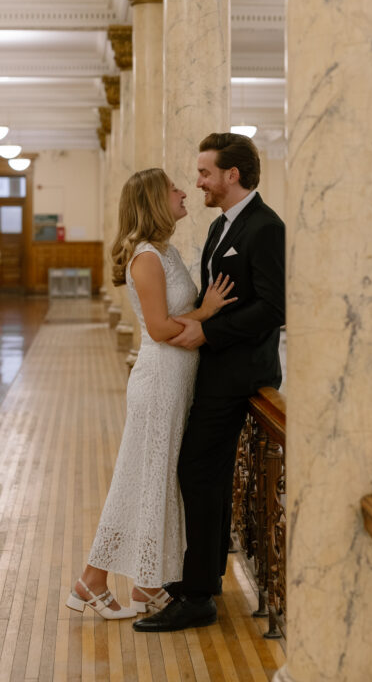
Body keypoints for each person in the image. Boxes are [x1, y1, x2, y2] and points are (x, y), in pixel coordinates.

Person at [66, 168, 236, 620]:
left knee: (156, 480)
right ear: (154, 202)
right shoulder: (145, 257)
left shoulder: (167, 250)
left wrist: (202, 316)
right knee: (144, 479)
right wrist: (208, 311)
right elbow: (160, 329)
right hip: (160, 379)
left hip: (179, 378)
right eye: (173, 189)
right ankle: (93, 580)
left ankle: (139, 583)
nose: (184, 192)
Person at [134, 132, 285, 632]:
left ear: (231, 175)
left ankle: (196, 593)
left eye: (203, 173)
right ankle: (198, 580)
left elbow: (274, 306)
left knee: (197, 472)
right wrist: (203, 322)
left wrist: (208, 330)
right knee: (205, 476)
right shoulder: (224, 225)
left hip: (240, 375)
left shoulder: (265, 227)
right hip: (215, 372)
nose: (197, 181)